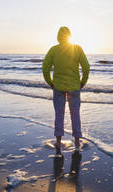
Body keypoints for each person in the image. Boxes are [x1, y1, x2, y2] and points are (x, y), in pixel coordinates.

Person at [42, 26, 90, 154]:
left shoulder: (53, 50)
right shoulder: (77, 48)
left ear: (58, 36)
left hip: (58, 87)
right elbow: (86, 67)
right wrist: (82, 82)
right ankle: (76, 142)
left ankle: (58, 141)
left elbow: (45, 67)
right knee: (75, 114)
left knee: (59, 114)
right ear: (70, 36)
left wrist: (50, 82)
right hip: (74, 86)